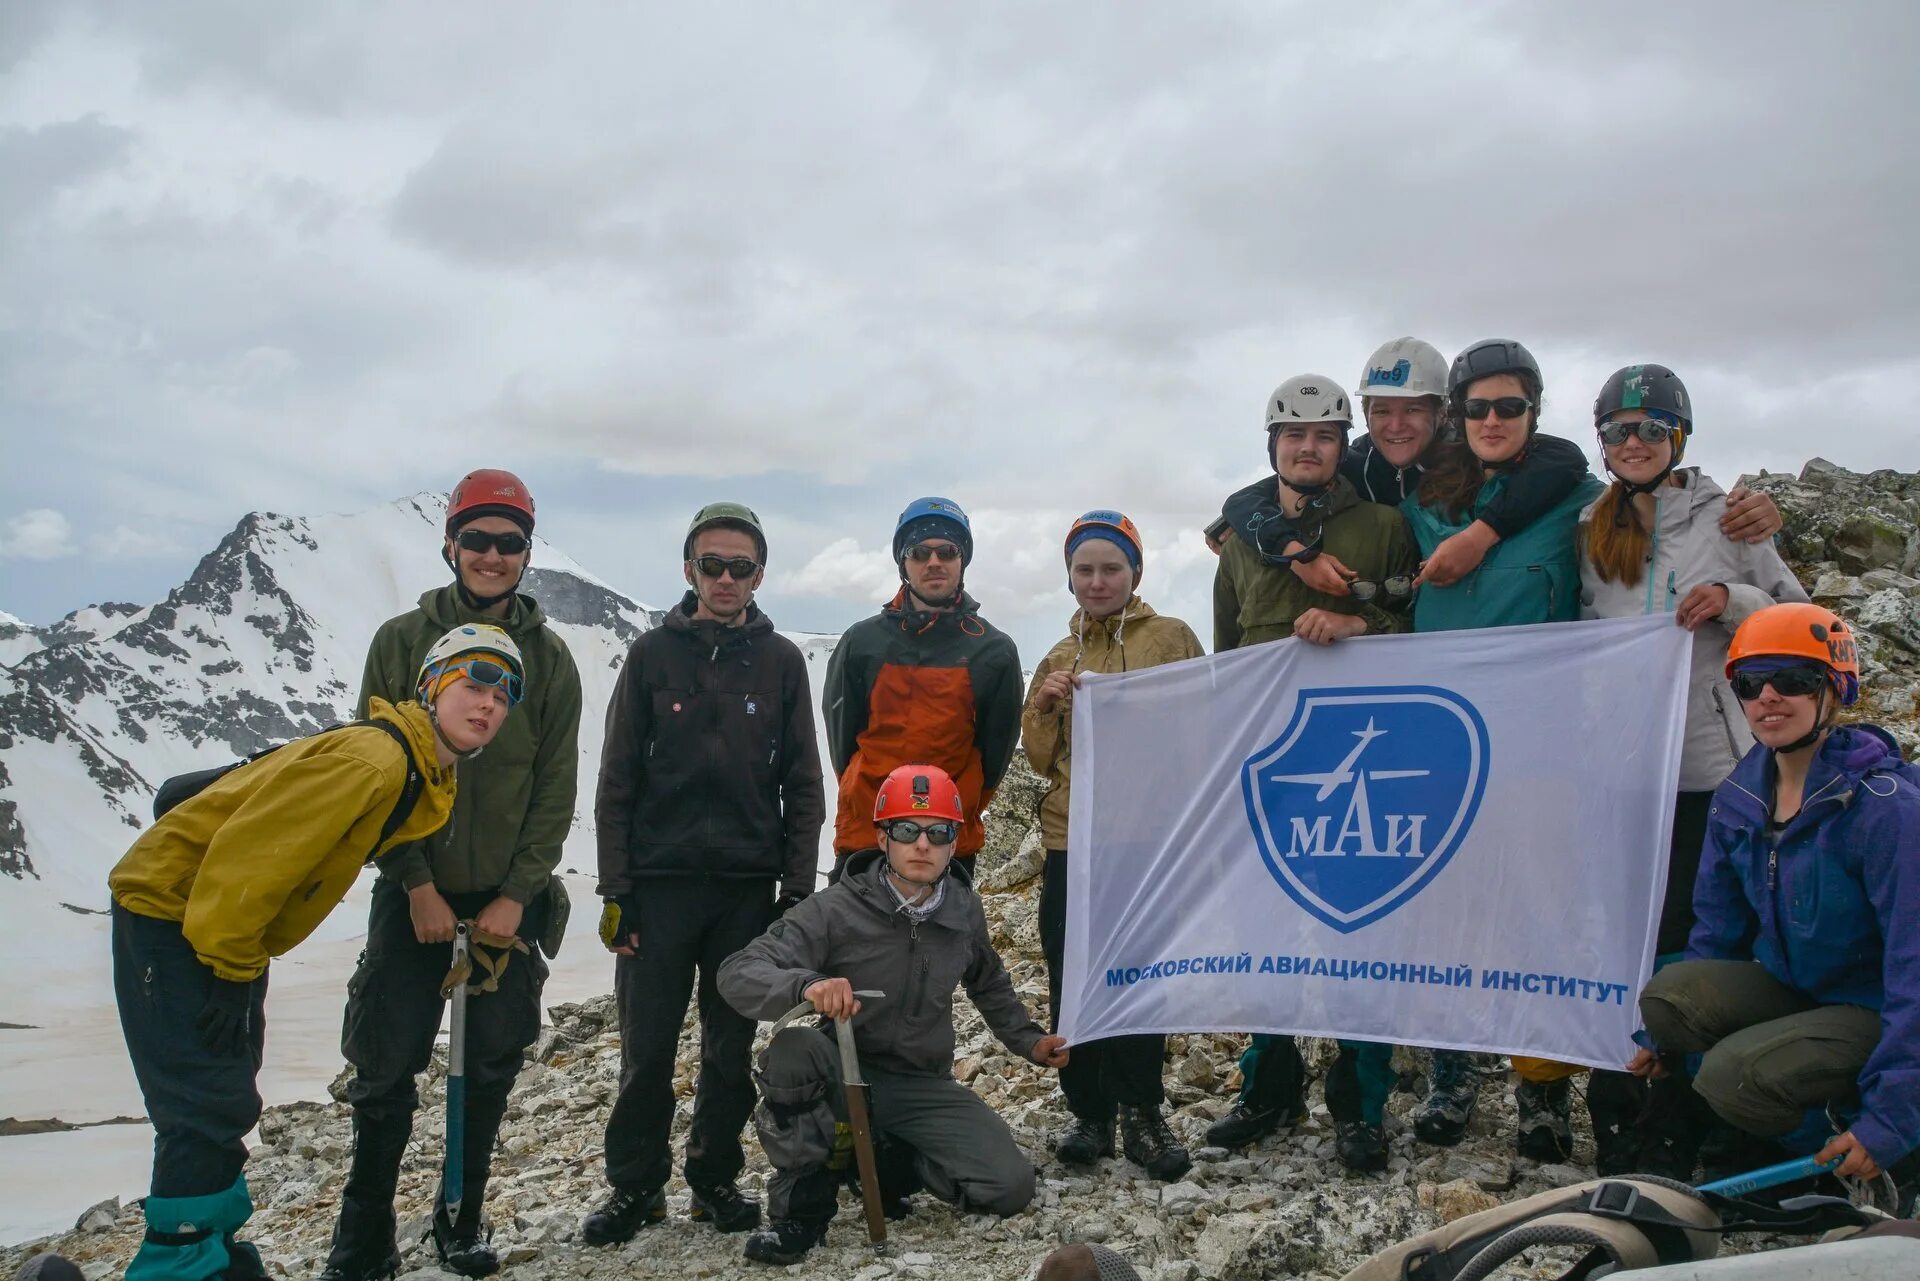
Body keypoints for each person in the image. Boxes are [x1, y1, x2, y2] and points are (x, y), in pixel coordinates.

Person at [109, 625, 522, 1281]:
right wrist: (229, 973)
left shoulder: (418, 770)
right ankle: (177, 1261)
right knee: (203, 1101)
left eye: (505, 695)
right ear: (429, 686)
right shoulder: (377, 764)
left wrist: (236, 969)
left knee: (227, 1095)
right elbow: (243, 866)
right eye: (473, 683)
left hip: (219, 928)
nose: (489, 704)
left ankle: (214, 1250)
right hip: (175, 912)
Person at [325, 470, 582, 1280]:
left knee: (490, 1066)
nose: (493, 555)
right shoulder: (400, 643)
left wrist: (517, 893)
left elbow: (554, 787)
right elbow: (372, 768)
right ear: (451, 544)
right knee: (385, 1069)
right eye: (478, 538)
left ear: (526, 551)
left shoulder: (551, 660)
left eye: (510, 542)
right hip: (414, 894)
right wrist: (413, 879)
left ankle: (460, 1219)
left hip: (506, 901)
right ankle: (363, 1238)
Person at [1575, 366, 1808, 1178]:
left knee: (1697, 946)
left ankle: (1687, 1123)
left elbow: (1798, 616)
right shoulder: (1589, 526)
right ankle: (1621, 1116)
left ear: (1680, 436)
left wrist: (1730, 596)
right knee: (1624, 945)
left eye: (1651, 427)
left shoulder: (1731, 518)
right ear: (1602, 443)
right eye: (1618, 430)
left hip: (1717, 771)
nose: (1633, 442)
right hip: (1629, 771)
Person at [583, 503, 826, 1245]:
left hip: (746, 891)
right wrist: (615, 891)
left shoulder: (782, 660)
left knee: (729, 1048)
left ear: (760, 574)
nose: (726, 577)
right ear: (689, 569)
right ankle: (635, 1188)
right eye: (712, 564)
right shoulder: (652, 655)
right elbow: (617, 777)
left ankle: (713, 1179)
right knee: (646, 1047)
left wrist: (796, 890)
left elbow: (804, 782)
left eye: (740, 566)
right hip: (659, 889)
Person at [717, 764, 1069, 1265]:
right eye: (906, 830)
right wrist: (809, 984)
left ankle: (886, 1161)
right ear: (883, 838)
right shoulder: (834, 908)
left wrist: (1029, 1041)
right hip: (841, 1073)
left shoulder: (964, 910)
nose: (921, 844)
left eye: (938, 832)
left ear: (954, 842)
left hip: (919, 1083)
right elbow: (738, 971)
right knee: (792, 1049)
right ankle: (802, 1211)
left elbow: (988, 982)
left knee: (1008, 1186)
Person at [1630, 603, 1917, 1213]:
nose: (1768, 698)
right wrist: (1665, 1041)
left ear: (1834, 689)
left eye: (1792, 680)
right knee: (1668, 999)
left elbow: (1915, 971)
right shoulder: (1740, 795)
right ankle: (1795, 1125)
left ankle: (1857, 1150)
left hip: (1873, 1004)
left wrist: (1892, 1121)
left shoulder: (1885, 809)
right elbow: (1718, 932)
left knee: (1733, 1077)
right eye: (1750, 684)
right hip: (1799, 987)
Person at [1208, 375, 1419, 1172]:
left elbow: (1418, 630)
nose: (1308, 447)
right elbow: (1229, 655)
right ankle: (1268, 1087)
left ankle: (1360, 1106)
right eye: (1293, 436)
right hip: (1274, 765)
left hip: (1362, 762)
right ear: (1272, 447)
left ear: (1343, 445)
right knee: (1268, 931)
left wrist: (1355, 621)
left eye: (1325, 435)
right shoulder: (1240, 542)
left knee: (1361, 929)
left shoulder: (1384, 527)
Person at [1402, 339, 1607, 1160]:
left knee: (1535, 913)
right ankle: (1451, 1074)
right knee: (1447, 912)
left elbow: (1618, 496)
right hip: (1442, 737)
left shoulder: (1573, 492)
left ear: (1534, 411)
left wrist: (1750, 515)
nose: (1493, 420)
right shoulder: (1425, 493)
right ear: (1457, 414)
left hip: (1538, 742)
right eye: (1477, 407)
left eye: (1510, 406)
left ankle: (1543, 1092)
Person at [1209, 335, 1781, 578]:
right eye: (1381, 410)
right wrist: (1261, 532)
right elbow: (1257, 492)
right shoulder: (1361, 463)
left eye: (1413, 410)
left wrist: (1477, 535)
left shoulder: (1479, 456)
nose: (1396, 425)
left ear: (1442, 413)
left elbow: (1562, 459)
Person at [1023, 510, 1205, 1179]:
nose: (1097, 581)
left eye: (1110, 568)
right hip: (1072, 838)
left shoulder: (1172, 638)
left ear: (1136, 571)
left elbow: (1203, 727)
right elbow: (1041, 758)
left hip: (1145, 842)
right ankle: (1089, 1111)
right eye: (1084, 569)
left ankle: (1142, 1110)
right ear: (1069, 577)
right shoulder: (1058, 655)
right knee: (1072, 974)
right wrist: (1043, 705)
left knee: (1139, 977)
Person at [822, 497, 1022, 882]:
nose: (934, 562)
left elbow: (995, 754)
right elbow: (843, 744)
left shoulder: (993, 651)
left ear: (962, 560)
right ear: (904, 562)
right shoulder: (862, 642)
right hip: (866, 835)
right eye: (919, 552)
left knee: (944, 943)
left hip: (947, 840)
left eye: (947, 551)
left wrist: (951, 811)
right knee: (853, 942)